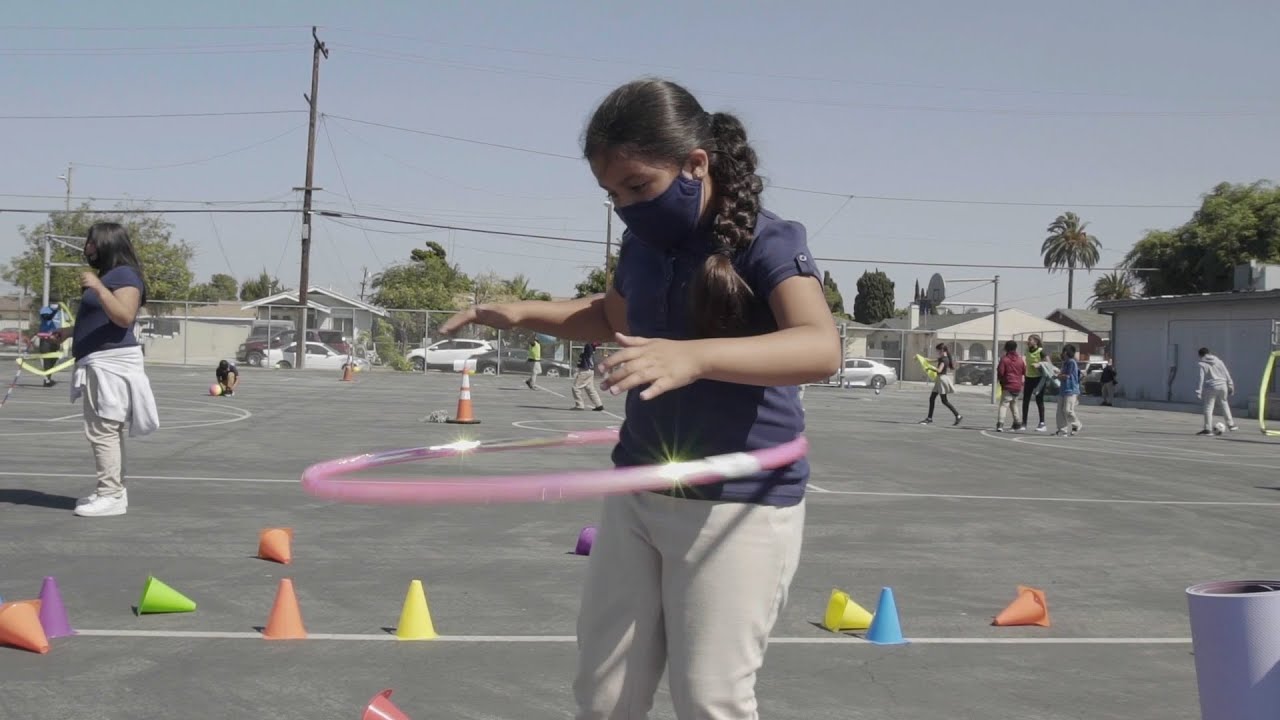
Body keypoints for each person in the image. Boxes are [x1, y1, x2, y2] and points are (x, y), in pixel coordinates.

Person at [439, 78, 840, 720]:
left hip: (739, 504)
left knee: (709, 699)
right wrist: (520, 313)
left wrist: (694, 354)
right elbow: (610, 317)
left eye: (637, 187)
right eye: (611, 194)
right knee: (603, 696)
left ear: (695, 164)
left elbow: (820, 347)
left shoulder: (769, 242)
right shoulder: (642, 246)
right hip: (639, 489)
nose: (624, 206)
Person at [47, 222, 159, 518]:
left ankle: (110, 494)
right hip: (101, 361)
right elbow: (104, 319)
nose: (87, 249)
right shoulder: (111, 276)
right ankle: (112, 491)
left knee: (103, 430)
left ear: (107, 244)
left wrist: (97, 287)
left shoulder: (124, 276)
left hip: (111, 364)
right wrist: (71, 332)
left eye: (92, 243)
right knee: (105, 429)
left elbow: (123, 316)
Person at [1196, 347, 1238, 435]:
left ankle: (1208, 429)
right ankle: (1231, 425)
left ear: (1200, 355)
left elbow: (1200, 378)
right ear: (1209, 352)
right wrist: (1231, 385)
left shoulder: (1202, 364)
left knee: (1208, 407)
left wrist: (1199, 391)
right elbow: (1226, 373)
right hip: (1223, 385)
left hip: (1211, 386)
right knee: (1224, 404)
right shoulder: (1219, 361)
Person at [919, 343, 962, 426]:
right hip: (939, 380)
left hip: (942, 380)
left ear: (942, 350)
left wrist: (930, 368)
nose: (937, 352)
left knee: (944, 401)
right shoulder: (942, 358)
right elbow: (931, 360)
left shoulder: (944, 360)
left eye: (938, 351)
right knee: (932, 398)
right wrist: (922, 359)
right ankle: (929, 418)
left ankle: (958, 415)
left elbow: (939, 370)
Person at [36, 293, 71, 387]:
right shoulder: (45, 309)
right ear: (50, 302)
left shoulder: (61, 313)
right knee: (47, 358)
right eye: (53, 302)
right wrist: (55, 311)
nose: (55, 304)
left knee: (54, 358)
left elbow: (69, 321)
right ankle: (46, 380)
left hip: (56, 338)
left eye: (56, 302)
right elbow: (47, 317)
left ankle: (48, 377)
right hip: (46, 338)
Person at [996, 340, 1025, 432]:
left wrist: (1001, 380)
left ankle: (1000, 423)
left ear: (1006, 348)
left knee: (1004, 405)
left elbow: (1001, 372)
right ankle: (1017, 422)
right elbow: (1024, 371)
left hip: (1008, 384)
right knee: (1014, 403)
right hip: (1017, 385)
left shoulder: (1005, 359)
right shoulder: (1020, 359)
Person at [1021, 334, 1049, 432]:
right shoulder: (1027, 351)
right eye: (1028, 339)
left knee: (1039, 400)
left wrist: (1039, 364)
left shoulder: (1041, 351)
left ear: (1036, 342)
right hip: (1029, 378)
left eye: (1030, 340)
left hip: (1039, 379)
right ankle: (1024, 423)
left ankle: (1042, 423)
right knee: (1025, 401)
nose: (1028, 341)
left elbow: (1049, 364)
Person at [1055, 344, 1082, 436]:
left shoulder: (1071, 362)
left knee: (1067, 410)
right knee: (1060, 411)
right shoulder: (1065, 363)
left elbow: (1067, 376)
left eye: (1063, 351)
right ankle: (1062, 429)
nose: (1062, 354)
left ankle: (1077, 424)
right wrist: (1058, 375)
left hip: (1071, 389)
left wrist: (1058, 376)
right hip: (1063, 389)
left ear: (1066, 352)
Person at [571, 342, 604, 411]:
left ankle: (579, 405)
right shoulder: (591, 346)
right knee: (590, 388)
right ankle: (599, 404)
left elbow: (593, 345)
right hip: (590, 370)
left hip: (585, 370)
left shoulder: (588, 346)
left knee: (575, 388)